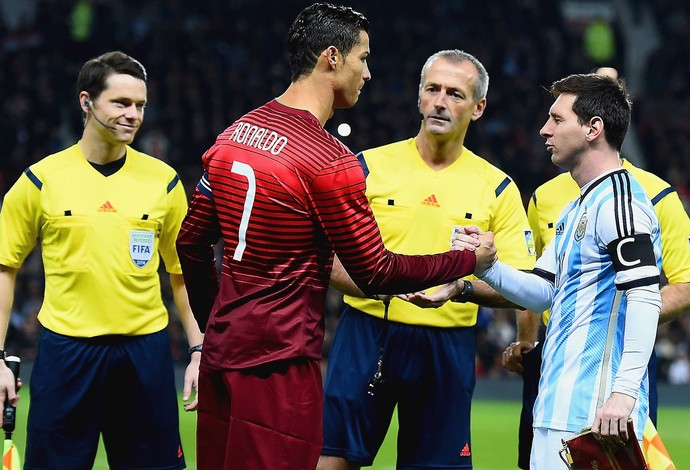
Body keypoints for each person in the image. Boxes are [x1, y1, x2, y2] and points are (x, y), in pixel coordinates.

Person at [174, 5, 481, 470]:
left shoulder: (233, 135)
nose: (368, 72)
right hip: (279, 363)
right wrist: (465, 260)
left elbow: (190, 245)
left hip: (222, 358)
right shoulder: (328, 160)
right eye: (363, 58)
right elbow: (376, 271)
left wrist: (214, 327)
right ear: (333, 58)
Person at [318, 49, 535, 470]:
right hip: (367, 332)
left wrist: (462, 287)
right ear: (419, 97)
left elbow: (522, 281)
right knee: (332, 461)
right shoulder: (366, 167)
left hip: (447, 344)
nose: (440, 101)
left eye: (455, 93)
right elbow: (324, 255)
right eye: (432, 89)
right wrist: (381, 283)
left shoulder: (497, 188)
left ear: (478, 108)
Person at [0, 50, 204, 470]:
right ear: (86, 102)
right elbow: (5, 267)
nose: (133, 114)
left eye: (140, 105)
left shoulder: (164, 182)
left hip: (145, 352)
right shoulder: (40, 181)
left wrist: (200, 349)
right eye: (121, 103)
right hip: (66, 353)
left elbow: (183, 274)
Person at [502, 68, 690, 470]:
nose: (543, 130)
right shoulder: (576, 207)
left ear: (593, 129)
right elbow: (541, 291)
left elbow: (643, 296)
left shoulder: (622, 204)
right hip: (556, 404)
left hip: (598, 413)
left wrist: (624, 393)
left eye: (556, 119)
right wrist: (483, 267)